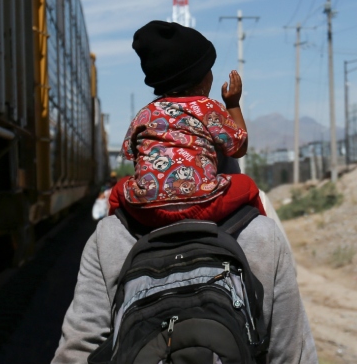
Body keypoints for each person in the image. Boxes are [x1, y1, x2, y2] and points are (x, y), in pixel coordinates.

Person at [34, 24, 332, 364]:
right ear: (206, 80)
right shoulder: (258, 233)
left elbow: (79, 342)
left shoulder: (112, 234)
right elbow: (291, 353)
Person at [111, 20, 262, 229]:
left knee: (117, 192)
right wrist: (233, 104)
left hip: (147, 211)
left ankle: (121, 230)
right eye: (209, 69)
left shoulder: (144, 114)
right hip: (204, 205)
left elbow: (132, 155)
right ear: (200, 78)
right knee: (248, 186)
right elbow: (239, 148)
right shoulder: (208, 107)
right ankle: (254, 234)